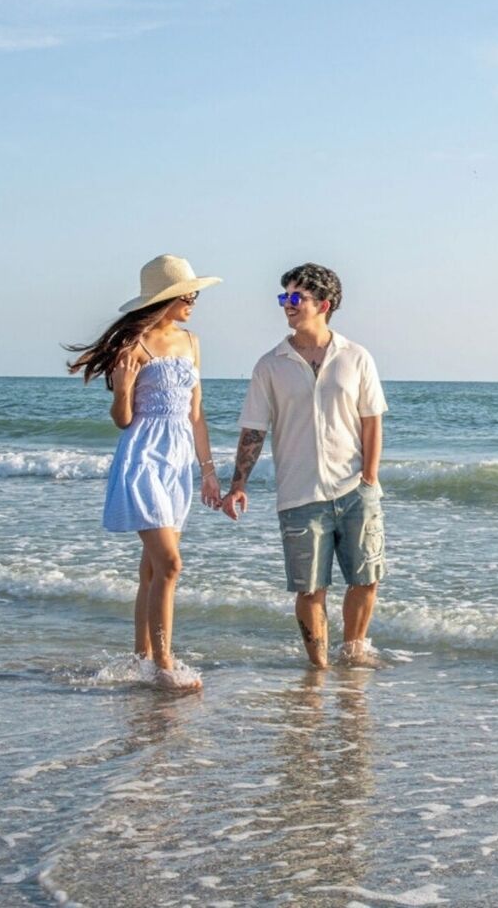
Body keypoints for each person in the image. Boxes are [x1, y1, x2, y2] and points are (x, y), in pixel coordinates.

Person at [220, 263, 388, 669]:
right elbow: (253, 429)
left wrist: (369, 478)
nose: (287, 304)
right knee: (310, 589)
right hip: (299, 494)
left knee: (366, 579)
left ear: (324, 305)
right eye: (284, 297)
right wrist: (238, 484)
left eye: (296, 297)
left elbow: (372, 422)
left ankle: (354, 653)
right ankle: (319, 670)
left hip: (354, 489)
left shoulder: (356, 357)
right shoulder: (270, 365)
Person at [66, 254, 221, 692]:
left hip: (178, 462)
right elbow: (122, 419)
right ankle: (164, 663)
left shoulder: (192, 342)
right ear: (164, 298)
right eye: (187, 294)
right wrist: (123, 388)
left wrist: (208, 471)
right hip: (143, 458)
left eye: (194, 293)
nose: (193, 301)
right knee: (170, 564)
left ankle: (141, 659)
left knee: (152, 570)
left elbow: (196, 415)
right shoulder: (133, 345)